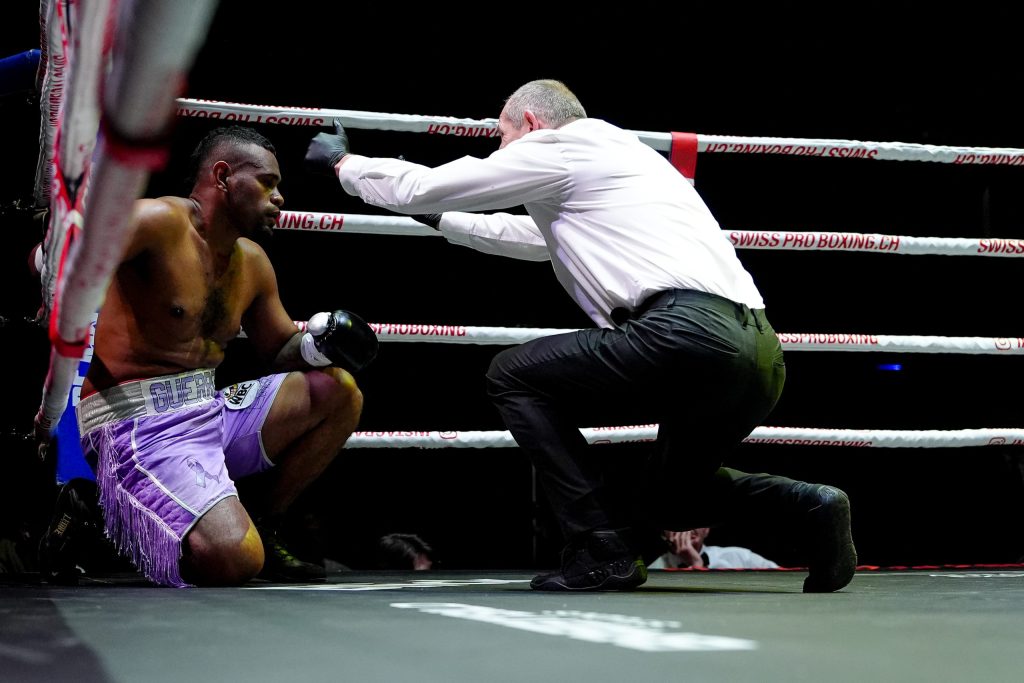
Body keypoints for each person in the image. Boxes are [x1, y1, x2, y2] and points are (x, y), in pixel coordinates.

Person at [305, 79, 856, 593]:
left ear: (529, 122)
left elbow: (429, 185)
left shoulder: (559, 146)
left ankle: (600, 547)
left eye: (503, 136)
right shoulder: (626, 158)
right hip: (759, 351)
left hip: (683, 334)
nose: (502, 151)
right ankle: (812, 505)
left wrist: (344, 164)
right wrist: (437, 216)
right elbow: (529, 237)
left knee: (512, 375)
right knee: (672, 496)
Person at [53, 126, 377, 587]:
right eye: (267, 183)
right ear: (223, 177)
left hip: (207, 412)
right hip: (136, 422)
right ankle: (98, 511)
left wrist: (319, 344)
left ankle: (263, 523)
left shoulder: (252, 261)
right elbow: (57, 254)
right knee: (235, 559)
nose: (279, 198)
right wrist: (54, 270)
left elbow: (278, 349)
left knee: (339, 391)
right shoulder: (156, 221)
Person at [647, 528, 779, 570]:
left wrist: (696, 563)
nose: (689, 527)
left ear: (707, 530)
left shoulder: (742, 558)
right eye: (679, 519)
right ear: (663, 532)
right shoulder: (649, 567)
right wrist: (695, 564)